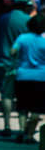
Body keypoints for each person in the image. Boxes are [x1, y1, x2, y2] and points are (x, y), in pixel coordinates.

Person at [0, 0, 33, 137]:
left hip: (5, 62)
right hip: (24, 65)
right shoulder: (28, 21)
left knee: (6, 95)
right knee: (24, 98)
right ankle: (22, 128)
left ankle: (7, 125)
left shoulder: (3, 19)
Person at [12, 13, 45, 143]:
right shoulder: (44, 41)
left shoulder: (22, 38)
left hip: (23, 75)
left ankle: (20, 130)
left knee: (22, 105)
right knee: (37, 108)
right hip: (41, 77)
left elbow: (12, 52)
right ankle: (30, 135)